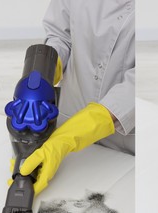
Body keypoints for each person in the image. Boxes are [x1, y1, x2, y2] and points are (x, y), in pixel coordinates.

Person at [16, 0, 135, 195]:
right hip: (67, 122)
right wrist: (45, 69)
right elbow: (60, 35)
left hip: (122, 141)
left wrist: (80, 130)